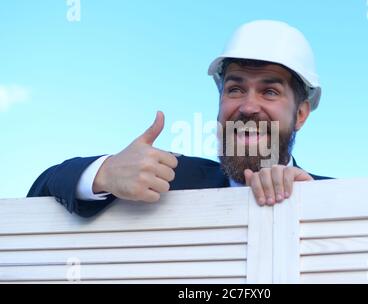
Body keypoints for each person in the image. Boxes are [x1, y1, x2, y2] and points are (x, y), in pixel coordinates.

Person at [28, 20, 332, 218]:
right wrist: (104, 173)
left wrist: (313, 201)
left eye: (269, 92)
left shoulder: (338, 198)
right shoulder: (168, 178)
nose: (249, 107)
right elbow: (42, 190)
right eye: (236, 89)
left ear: (301, 114)